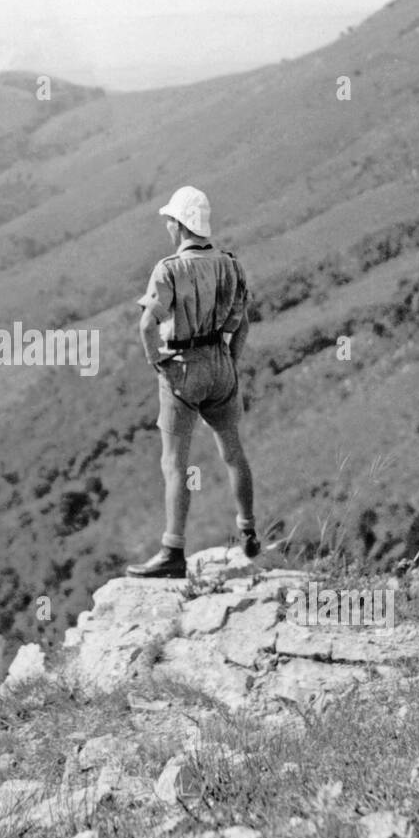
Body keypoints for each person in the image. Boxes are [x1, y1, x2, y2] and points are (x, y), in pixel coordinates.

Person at [126, 185, 260, 577]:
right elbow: (243, 322)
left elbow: (147, 323)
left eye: (170, 221)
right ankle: (248, 528)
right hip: (221, 362)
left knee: (175, 464)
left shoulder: (168, 269)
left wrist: (157, 362)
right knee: (233, 452)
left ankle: (172, 552)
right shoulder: (231, 264)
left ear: (179, 225)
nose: (168, 226)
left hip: (182, 366)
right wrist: (230, 363)